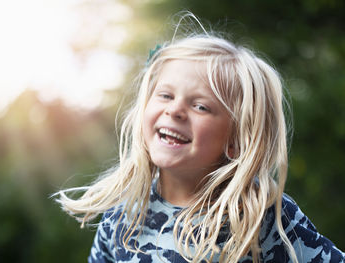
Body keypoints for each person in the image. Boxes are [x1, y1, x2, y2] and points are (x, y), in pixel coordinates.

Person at [55, 14, 345, 263]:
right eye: (165, 95)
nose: (175, 110)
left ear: (235, 140)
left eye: (201, 106)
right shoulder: (120, 216)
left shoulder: (261, 216)